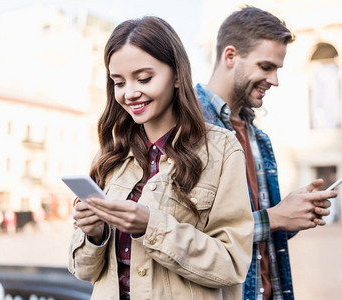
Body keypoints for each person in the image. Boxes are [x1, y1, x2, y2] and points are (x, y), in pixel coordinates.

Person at [68, 16, 254, 300]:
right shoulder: (109, 155)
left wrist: (151, 226)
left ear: (178, 76)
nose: (130, 93)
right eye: (118, 82)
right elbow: (83, 272)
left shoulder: (223, 149)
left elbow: (232, 264)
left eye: (144, 78)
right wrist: (93, 234)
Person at [196, 6, 337, 300]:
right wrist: (274, 217)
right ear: (230, 56)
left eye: (277, 69)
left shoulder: (256, 133)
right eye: (266, 67)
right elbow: (191, 236)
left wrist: (293, 212)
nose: (274, 80)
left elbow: (257, 232)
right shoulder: (190, 126)